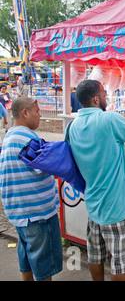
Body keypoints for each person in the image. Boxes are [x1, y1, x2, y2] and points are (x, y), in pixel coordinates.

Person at [67, 80, 125, 281]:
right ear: (95, 98)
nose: (106, 97)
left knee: (96, 254)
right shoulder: (108, 118)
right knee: (120, 262)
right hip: (118, 205)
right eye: (103, 93)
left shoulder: (73, 125)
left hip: (94, 202)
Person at [0, 97, 62, 281]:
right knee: (44, 266)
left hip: (19, 212)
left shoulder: (10, 135)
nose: (40, 115)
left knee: (27, 256)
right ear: (25, 113)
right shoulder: (28, 138)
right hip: (37, 213)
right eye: (37, 111)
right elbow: (47, 166)